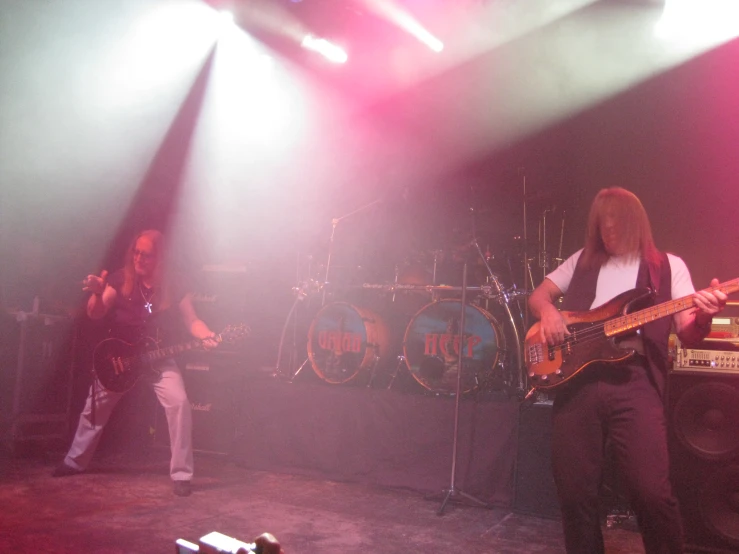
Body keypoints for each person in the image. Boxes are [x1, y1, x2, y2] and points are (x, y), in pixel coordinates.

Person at [528, 187, 727, 553]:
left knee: (651, 491)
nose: (609, 227)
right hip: (578, 382)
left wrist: (705, 316)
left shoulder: (668, 266)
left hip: (635, 382)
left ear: (636, 222)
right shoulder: (581, 261)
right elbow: (538, 296)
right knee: (574, 492)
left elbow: (687, 332)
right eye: (602, 220)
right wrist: (549, 312)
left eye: (616, 218)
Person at [53, 229, 218, 497]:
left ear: (159, 259)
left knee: (179, 404)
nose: (139, 259)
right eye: (136, 252)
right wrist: (96, 293)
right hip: (120, 358)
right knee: (94, 407)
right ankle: (74, 461)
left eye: (147, 255)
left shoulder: (173, 284)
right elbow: (96, 314)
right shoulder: (119, 280)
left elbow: (192, 321)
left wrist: (207, 334)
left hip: (158, 358)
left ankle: (182, 474)